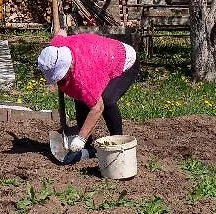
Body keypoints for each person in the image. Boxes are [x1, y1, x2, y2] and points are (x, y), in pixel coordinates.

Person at [37, 30, 139, 165]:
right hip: (102, 57)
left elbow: (97, 108)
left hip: (124, 60)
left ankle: (118, 142)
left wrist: (80, 138)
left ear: (68, 67)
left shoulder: (83, 78)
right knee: (80, 98)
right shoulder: (57, 47)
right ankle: (89, 148)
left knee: (107, 101)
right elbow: (61, 32)